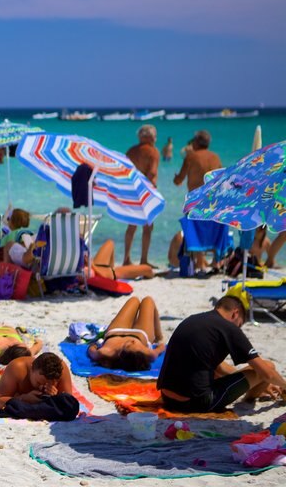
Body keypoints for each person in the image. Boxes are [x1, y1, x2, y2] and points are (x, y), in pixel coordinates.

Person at [158, 296, 286, 412]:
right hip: (195, 402)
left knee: (257, 373)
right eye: (240, 324)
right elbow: (267, 374)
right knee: (268, 366)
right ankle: (249, 398)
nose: (239, 328)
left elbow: (219, 367)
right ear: (235, 313)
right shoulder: (230, 328)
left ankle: (255, 389)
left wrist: (255, 381)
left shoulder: (195, 319)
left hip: (167, 397)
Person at [173, 130, 222, 272]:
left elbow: (179, 180)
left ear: (196, 142)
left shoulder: (191, 157)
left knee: (195, 230)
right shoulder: (215, 157)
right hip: (213, 200)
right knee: (214, 230)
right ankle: (216, 262)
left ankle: (200, 262)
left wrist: (175, 177)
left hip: (196, 199)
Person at [87, 296, 165, 371]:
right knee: (148, 300)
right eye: (136, 346)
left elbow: (91, 350)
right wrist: (160, 344)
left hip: (115, 332)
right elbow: (161, 347)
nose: (132, 341)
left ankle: (134, 323)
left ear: (121, 354)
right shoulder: (148, 354)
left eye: (128, 346)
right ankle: (159, 336)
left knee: (134, 300)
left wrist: (94, 345)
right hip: (140, 335)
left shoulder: (106, 352)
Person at [124, 125, 159, 266]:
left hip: (132, 191)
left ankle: (126, 259)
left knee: (131, 226)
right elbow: (152, 173)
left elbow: (125, 172)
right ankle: (143, 260)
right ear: (149, 137)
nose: (156, 138)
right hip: (145, 193)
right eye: (155, 135)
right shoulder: (153, 152)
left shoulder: (131, 151)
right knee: (147, 227)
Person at [0, 352, 73, 411]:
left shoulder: (61, 370)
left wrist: (56, 398)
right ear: (32, 368)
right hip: (0, 376)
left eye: (50, 385)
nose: (42, 387)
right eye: (39, 383)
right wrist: (23, 399)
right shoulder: (17, 368)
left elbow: (68, 404)